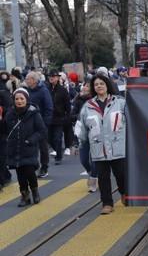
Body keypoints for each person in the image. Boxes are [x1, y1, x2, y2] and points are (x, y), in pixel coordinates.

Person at [77, 74, 126, 214]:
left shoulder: (120, 102)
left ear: (107, 85)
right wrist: (80, 142)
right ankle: (107, 203)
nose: (99, 86)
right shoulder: (88, 106)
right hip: (99, 148)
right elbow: (82, 127)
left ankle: (124, 193)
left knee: (121, 174)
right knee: (103, 178)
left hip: (118, 147)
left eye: (101, 83)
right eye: (96, 84)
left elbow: (129, 121)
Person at [4, 88, 47, 206]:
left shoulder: (33, 113)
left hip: (29, 149)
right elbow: (5, 130)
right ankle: (25, 196)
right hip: (14, 150)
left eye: (22, 98)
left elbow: (42, 131)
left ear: (26, 100)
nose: (19, 101)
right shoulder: (9, 113)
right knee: (20, 175)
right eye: (17, 99)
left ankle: (35, 192)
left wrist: (31, 140)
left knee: (30, 172)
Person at [25, 71, 53, 178]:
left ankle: (44, 167)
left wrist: (45, 123)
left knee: (43, 146)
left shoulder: (43, 91)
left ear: (34, 80)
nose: (26, 81)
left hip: (41, 123)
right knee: (31, 145)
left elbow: (49, 107)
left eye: (28, 79)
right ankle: (33, 165)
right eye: (26, 79)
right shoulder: (27, 91)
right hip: (29, 123)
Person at [72, 81, 98, 192]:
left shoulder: (96, 99)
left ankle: (93, 178)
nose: (85, 87)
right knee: (83, 160)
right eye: (85, 85)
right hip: (83, 133)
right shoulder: (78, 99)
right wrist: (81, 116)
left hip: (96, 133)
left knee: (96, 158)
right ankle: (92, 173)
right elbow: (72, 116)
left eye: (88, 86)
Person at [47, 69, 71, 165]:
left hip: (59, 118)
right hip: (48, 117)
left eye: (54, 76)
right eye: (50, 76)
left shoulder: (62, 90)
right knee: (49, 139)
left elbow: (67, 104)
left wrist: (67, 116)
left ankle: (58, 156)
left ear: (57, 78)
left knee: (57, 138)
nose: (51, 78)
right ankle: (57, 149)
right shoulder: (46, 89)